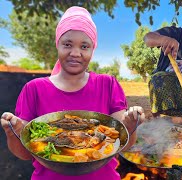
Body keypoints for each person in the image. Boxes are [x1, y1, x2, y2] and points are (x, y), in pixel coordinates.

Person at [0, 6, 145, 180]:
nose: (75, 53)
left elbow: (122, 142)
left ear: (93, 49)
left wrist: (130, 126)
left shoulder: (107, 84)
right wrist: (12, 132)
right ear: (57, 45)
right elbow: (25, 153)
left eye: (84, 46)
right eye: (67, 44)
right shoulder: (34, 89)